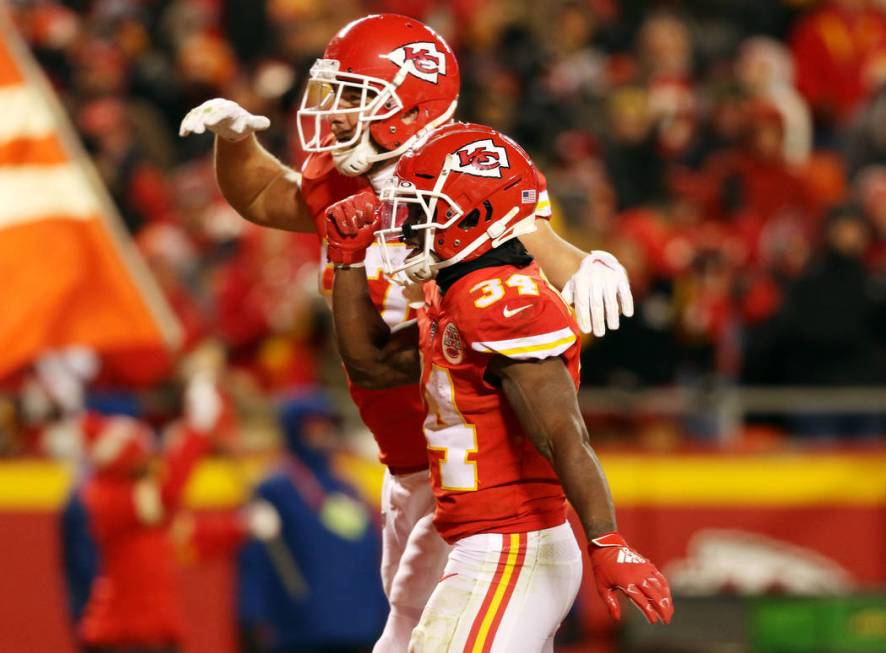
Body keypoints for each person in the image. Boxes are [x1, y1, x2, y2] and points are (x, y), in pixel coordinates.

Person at [179, 14, 635, 650]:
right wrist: (236, 141)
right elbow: (266, 197)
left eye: (354, 94)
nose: (334, 111)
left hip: (479, 470)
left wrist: (587, 264)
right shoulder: (346, 172)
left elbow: (534, 239)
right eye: (334, 92)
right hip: (410, 462)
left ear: (409, 102)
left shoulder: (458, 171)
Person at [327, 122, 672, 651]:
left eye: (424, 207)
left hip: (513, 546)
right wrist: (348, 261)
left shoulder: (502, 299)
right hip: (481, 545)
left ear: (476, 215)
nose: (406, 223)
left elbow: (563, 434)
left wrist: (606, 540)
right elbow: (372, 366)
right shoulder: (453, 287)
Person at [237, 392, 388, 653]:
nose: (323, 433)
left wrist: (384, 611)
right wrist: (253, 614)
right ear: (294, 430)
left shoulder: (349, 486)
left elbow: (372, 553)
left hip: (362, 625)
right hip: (302, 629)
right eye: (313, 426)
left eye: (327, 426)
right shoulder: (275, 487)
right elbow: (258, 560)